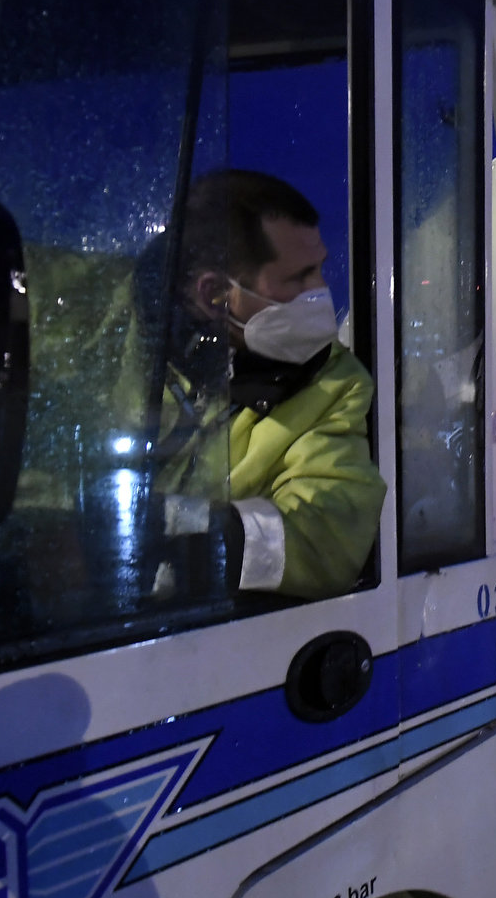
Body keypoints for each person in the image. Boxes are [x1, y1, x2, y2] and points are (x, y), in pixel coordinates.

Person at [164, 169, 386, 599]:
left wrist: (169, 533)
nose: (320, 291)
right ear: (215, 295)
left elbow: (324, 541)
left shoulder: (332, 381)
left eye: (318, 270)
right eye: (299, 277)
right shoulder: (121, 351)